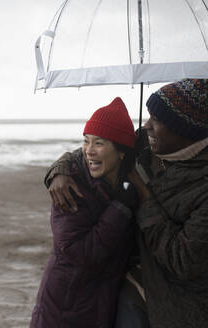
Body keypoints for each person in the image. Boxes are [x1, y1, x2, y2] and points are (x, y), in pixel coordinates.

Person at [45, 79, 208, 328]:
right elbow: (98, 148)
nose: (146, 126)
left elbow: (182, 259)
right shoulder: (146, 143)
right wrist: (61, 170)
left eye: (157, 120)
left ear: (185, 130)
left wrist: (143, 195)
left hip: (175, 305)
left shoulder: (201, 183)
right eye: (149, 116)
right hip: (124, 285)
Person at [30, 97, 137, 328]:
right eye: (86, 141)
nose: (89, 150)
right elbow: (78, 253)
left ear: (121, 152)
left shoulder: (129, 181)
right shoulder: (69, 187)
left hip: (101, 304)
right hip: (64, 309)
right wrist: (120, 209)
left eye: (99, 143)